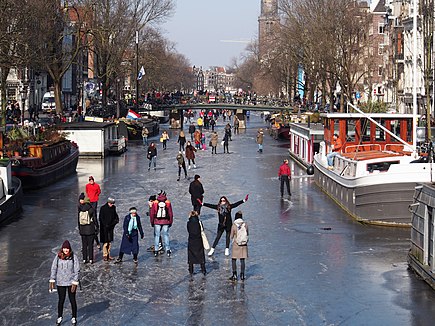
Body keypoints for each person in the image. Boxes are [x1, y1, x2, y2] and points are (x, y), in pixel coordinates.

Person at [49, 240, 80, 326]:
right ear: (62, 248)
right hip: (61, 282)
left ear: (69, 249)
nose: (66, 250)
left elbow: (77, 269)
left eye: (67, 248)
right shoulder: (58, 257)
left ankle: (74, 317)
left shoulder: (74, 257)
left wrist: (75, 281)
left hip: (71, 283)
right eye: (64, 248)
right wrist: (52, 279)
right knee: (61, 300)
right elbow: (54, 268)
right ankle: (59, 317)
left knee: (72, 300)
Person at [150, 191, 174, 257]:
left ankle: (156, 250)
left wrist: (152, 222)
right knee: (166, 235)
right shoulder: (168, 202)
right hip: (166, 221)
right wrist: (170, 222)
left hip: (157, 221)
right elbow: (170, 213)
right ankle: (168, 249)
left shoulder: (155, 202)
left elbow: (152, 214)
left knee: (157, 236)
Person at [77, 193, 97, 264]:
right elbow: (94, 219)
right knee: (90, 245)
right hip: (90, 229)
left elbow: (78, 220)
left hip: (82, 229)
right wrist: (97, 227)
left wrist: (79, 228)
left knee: (84, 245)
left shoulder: (80, 208)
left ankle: (84, 259)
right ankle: (91, 259)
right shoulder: (91, 209)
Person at [229, 211, 249, 281]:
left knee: (234, 259)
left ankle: (234, 274)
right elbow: (247, 234)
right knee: (242, 259)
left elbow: (231, 236)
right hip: (244, 244)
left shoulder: (234, 225)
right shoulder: (245, 224)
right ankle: (242, 275)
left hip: (236, 244)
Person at [99, 197, 119, 261]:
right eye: (111, 203)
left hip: (111, 227)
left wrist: (115, 221)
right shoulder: (103, 208)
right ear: (108, 202)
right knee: (105, 242)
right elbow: (101, 218)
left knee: (109, 242)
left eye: (113, 204)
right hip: (104, 228)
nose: (112, 205)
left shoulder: (113, 208)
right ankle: (105, 255)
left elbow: (115, 216)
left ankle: (108, 254)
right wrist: (105, 225)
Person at [187, 211, 206, 278]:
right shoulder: (199, 222)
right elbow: (202, 229)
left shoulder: (189, 223)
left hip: (191, 240)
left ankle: (191, 270)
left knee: (191, 255)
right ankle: (203, 269)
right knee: (200, 254)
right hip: (198, 240)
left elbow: (188, 230)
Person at [85, 176, 101, 249]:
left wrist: (96, 196)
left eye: (92, 180)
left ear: (93, 180)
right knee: (89, 211)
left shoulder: (97, 185)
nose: (91, 181)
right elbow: (87, 191)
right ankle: (90, 219)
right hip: (89, 200)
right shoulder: (87, 186)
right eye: (90, 180)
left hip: (94, 200)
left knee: (94, 211)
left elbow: (99, 191)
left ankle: (96, 223)